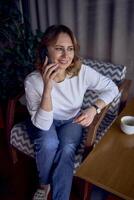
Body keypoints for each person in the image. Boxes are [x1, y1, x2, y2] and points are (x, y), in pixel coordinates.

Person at [24, 24, 119, 200]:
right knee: (48, 144)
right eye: (59, 49)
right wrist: (47, 88)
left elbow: (111, 88)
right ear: (45, 51)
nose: (66, 56)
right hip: (45, 120)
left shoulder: (81, 72)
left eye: (70, 49)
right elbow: (43, 124)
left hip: (71, 120)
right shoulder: (32, 81)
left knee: (67, 149)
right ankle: (44, 185)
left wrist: (93, 108)